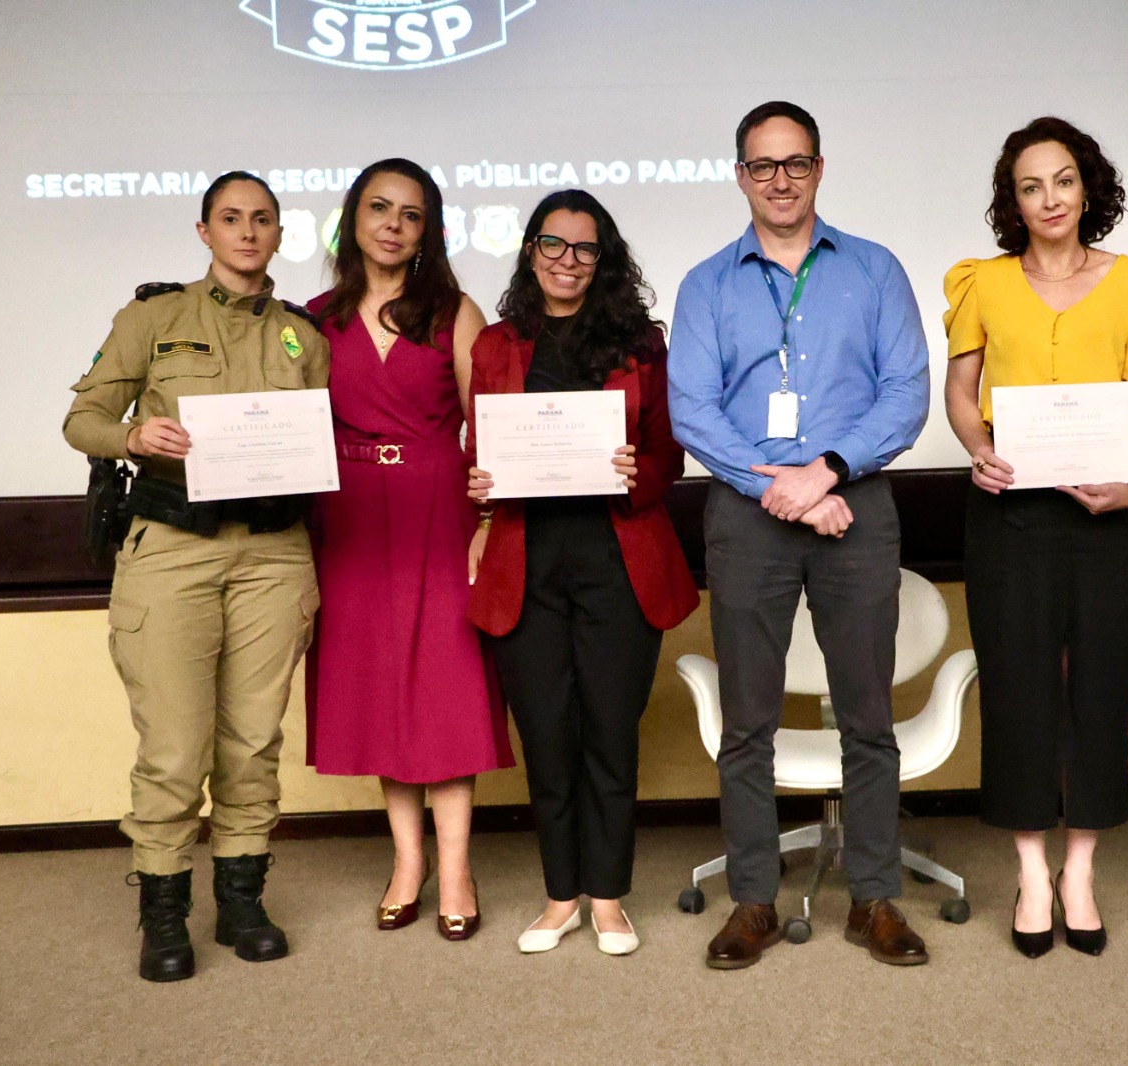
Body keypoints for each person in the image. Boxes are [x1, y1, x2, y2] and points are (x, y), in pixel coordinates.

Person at [669, 101, 932, 969]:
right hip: (748, 519)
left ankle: (875, 898)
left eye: (795, 163)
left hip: (855, 506)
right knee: (748, 721)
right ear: (740, 175)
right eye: (762, 165)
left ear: (819, 169)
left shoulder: (875, 269)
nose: (779, 180)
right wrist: (779, 487)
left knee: (869, 717)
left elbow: (906, 393)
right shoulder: (707, 284)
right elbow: (692, 411)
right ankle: (752, 900)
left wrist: (825, 472)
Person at [62, 172, 330, 982]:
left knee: (252, 742)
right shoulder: (153, 318)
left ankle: (242, 902)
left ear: (279, 233)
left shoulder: (303, 336)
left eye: (262, 219)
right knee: (175, 747)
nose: (248, 232)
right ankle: (164, 911)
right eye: (231, 218)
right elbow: (82, 420)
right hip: (174, 548)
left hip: (274, 554)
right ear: (204, 231)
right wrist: (135, 436)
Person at [943, 117, 1128, 958]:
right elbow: (961, 390)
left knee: (1099, 692)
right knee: (1018, 692)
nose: (1050, 198)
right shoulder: (982, 283)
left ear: (1089, 189)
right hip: (1010, 518)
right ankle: (1031, 871)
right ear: (1013, 201)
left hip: (1105, 519)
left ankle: (1080, 870)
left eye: (1064, 180)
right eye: (1031, 186)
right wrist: (978, 447)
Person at [465, 189, 699, 956]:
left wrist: (639, 471)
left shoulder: (641, 344)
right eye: (553, 244)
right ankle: (560, 895)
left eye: (585, 248)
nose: (568, 260)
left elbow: (668, 455)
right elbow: (479, 453)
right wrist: (479, 483)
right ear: (530, 250)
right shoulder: (495, 346)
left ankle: (607, 896)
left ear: (605, 259)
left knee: (609, 732)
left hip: (617, 560)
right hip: (525, 562)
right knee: (547, 734)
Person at [304, 158, 513, 943]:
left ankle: (456, 869)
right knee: (381, 692)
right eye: (379, 207)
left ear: (429, 231)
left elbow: (487, 422)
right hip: (349, 516)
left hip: (437, 508)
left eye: (411, 213)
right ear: (353, 219)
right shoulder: (313, 319)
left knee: (443, 690)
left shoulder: (454, 312)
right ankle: (407, 863)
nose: (393, 224)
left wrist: (490, 521)